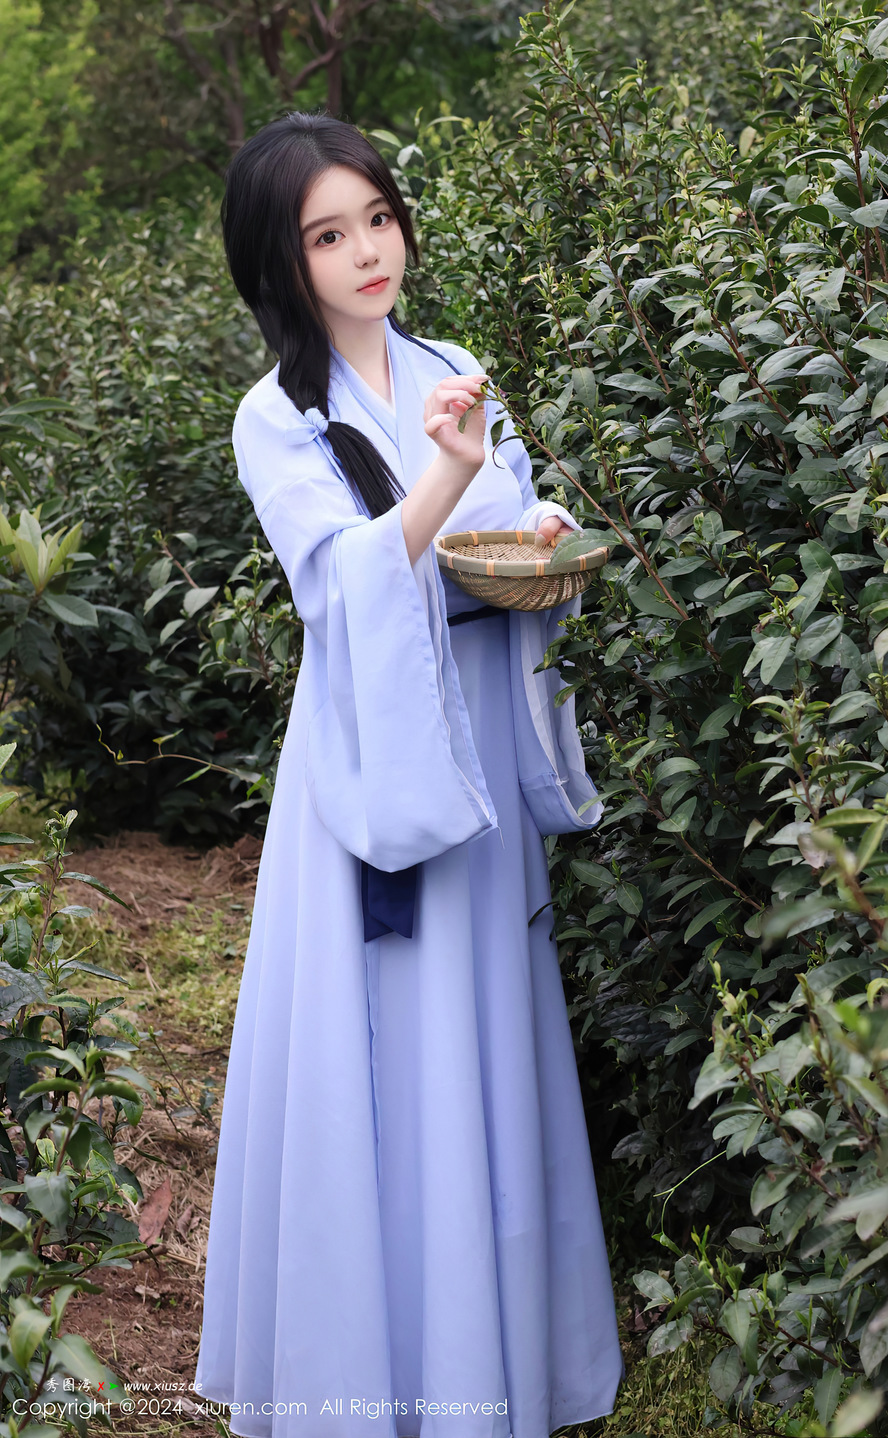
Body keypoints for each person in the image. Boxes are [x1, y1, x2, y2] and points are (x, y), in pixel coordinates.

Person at [193, 111, 625, 1438]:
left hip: (476, 730)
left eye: (376, 218)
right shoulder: (276, 417)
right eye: (328, 235)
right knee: (382, 1032)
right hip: (372, 763)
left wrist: (536, 522)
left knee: (480, 1028)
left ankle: (487, 1365)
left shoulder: (450, 369)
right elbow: (343, 587)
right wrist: (448, 471)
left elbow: (501, 522)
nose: (367, 251)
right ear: (281, 260)